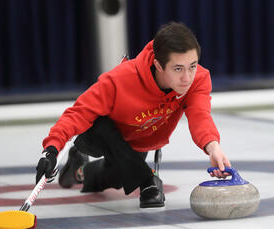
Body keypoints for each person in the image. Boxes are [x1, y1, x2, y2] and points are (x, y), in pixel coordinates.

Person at [35, 21, 231, 209]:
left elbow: (200, 116)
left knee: (117, 176)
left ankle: (79, 170)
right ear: (159, 65)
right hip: (97, 135)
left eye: (193, 66)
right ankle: (148, 181)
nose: (187, 78)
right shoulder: (120, 80)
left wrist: (213, 147)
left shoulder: (198, 79)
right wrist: (51, 149)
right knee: (108, 133)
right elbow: (77, 113)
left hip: (135, 142)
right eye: (178, 68)